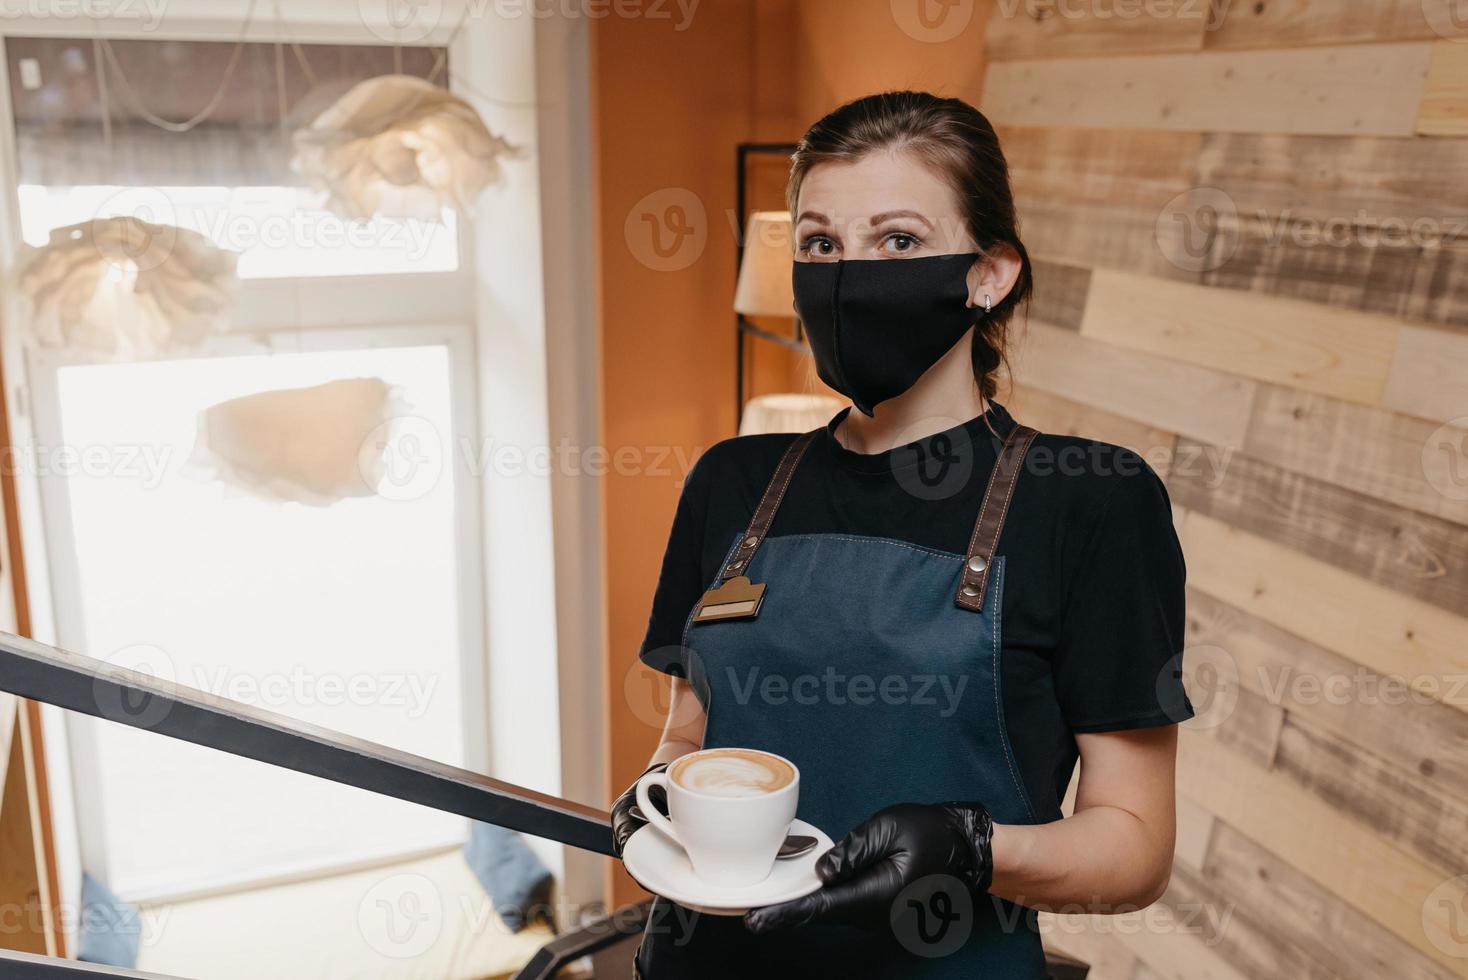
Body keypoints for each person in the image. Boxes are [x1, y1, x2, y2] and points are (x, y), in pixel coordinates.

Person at [613, 90, 1193, 978]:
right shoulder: (732, 482)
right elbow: (689, 740)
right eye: (820, 243)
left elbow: (1135, 850)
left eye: (898, 241)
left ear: (989, 274)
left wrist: (972, 846)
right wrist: (652, 799)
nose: (848, 274)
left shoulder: (1092, 501)